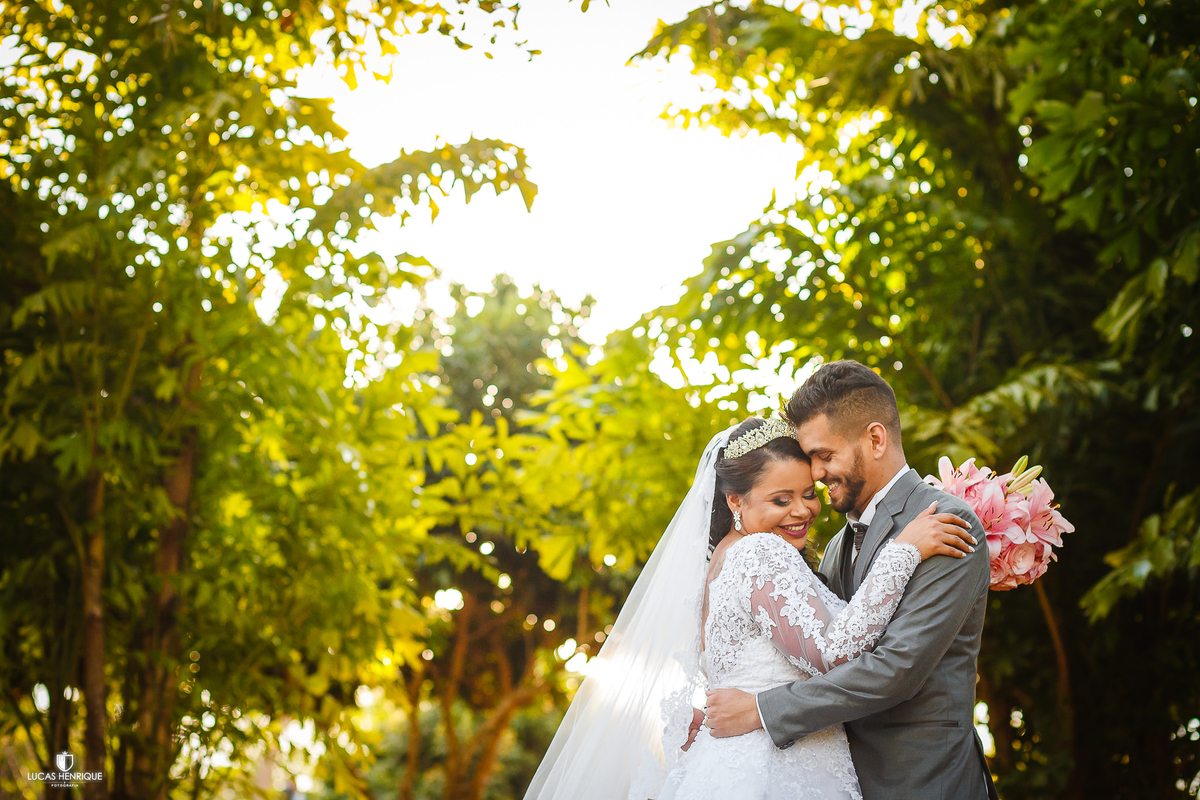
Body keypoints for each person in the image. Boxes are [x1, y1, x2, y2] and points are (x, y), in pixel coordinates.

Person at [523, 414, 975, 800]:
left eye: (808, 493)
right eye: (781, 500)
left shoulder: (720, 558)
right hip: (778, 767)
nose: (802, 511)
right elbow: (833, 652)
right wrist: (904, 552)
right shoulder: (761, 553)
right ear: (735, 500)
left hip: (732, 764)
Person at [704, 361, 1000, 800]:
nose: (816, 474)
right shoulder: (839, 543)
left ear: (875, 439)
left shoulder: (943, 521)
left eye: (825, 456)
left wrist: (761, 710)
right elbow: (815, 645)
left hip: (922, 780)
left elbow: (896, 669)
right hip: (836, 775)